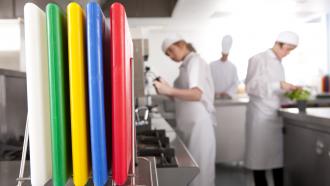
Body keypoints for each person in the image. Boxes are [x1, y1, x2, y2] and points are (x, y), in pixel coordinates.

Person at [153, 35, 216, 186]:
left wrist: (169, 90)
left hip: (199, 126)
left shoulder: (195, 61)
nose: (170, 56)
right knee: (193, 173)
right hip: (189, 127)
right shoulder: (185, 66)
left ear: (181, 44)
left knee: (200, 176)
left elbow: (196, 94)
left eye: (171, 50)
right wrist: (167, 90)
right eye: (167, 54)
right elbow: (181, 98)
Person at [244, 31, 300, 186]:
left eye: (291, 50)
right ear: (279, 43)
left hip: (274, 117)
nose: (288, 53)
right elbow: (251, 87)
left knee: (277, 160)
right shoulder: (258, 59)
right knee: (259, 160)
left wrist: (290, 92)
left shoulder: (278, 63)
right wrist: (279, 85)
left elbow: (275, 92)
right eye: (287, 49)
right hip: (260, 117)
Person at [210, 35, 239, 99]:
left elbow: (235, 83)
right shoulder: (211, 65)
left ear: (228, 54)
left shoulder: (233, 67)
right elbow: (207, 80)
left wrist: (227, 93)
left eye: (226, 55)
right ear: (221, 53)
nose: (225, 56)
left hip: (227, 97)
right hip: (212, 97)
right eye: (224, 54)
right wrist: (213, 92)